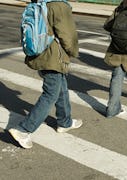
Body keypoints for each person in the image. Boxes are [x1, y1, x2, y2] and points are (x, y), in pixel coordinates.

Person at [9, 0, 81, 149]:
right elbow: (68, 35)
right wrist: (73, 52)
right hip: (54, 57)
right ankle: (24, 129)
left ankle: (64, 122)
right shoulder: (59, 6)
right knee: (51, 94)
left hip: (40, 53)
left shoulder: (39, 4)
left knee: (62, 88)